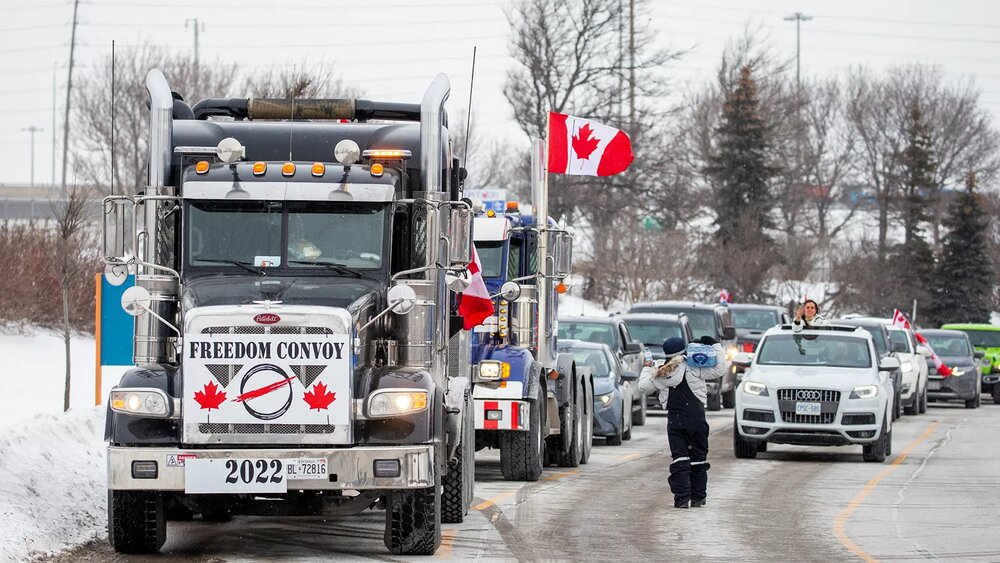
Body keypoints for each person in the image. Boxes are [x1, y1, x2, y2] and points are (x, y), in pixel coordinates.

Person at [638, 336, 729, 509]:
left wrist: (647, 368)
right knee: (698, 458)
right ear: (684, 352)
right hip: (696, 418)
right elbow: (720, 368)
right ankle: (697, 497)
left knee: (679, 458)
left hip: (675, 420)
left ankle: (681, 498)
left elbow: (643, 387)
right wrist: (715, 345)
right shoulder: (694, 367)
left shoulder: (660, 373)